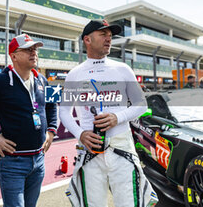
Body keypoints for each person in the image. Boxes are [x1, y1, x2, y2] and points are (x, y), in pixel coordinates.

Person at [59, 20, 158, 207]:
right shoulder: (75, 74)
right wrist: (80, 134)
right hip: (89, 152)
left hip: (122, 149)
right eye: (103, 34)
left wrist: (117, 118)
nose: (109, 38)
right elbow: (64, 111)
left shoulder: (122, 69)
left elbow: (141, 104)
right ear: (87, 39)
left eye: (110, 35)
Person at [0, 34, 57, 207]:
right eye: (28, 49)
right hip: (13, 162)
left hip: (39, 159)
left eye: (35, 49)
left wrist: (51, 131)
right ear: (13, 55)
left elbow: (53, 104)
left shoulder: (42, 79)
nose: (34, 53)